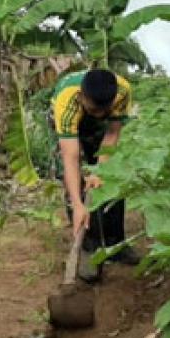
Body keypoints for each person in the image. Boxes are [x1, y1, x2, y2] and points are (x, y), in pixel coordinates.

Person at [49, 68, 139, 282]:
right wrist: (79, 204)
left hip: (101, 130)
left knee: (112, 177)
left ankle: (115, 244)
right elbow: (71, 157)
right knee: (77, 181)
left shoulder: (122, 92)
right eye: (94, 109)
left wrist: (99, 170)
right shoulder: (67, 101)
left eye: (103, 110)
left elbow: (112, 133)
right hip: (69, 122)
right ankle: (88, 247)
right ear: (82, 97)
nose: (98, 114)